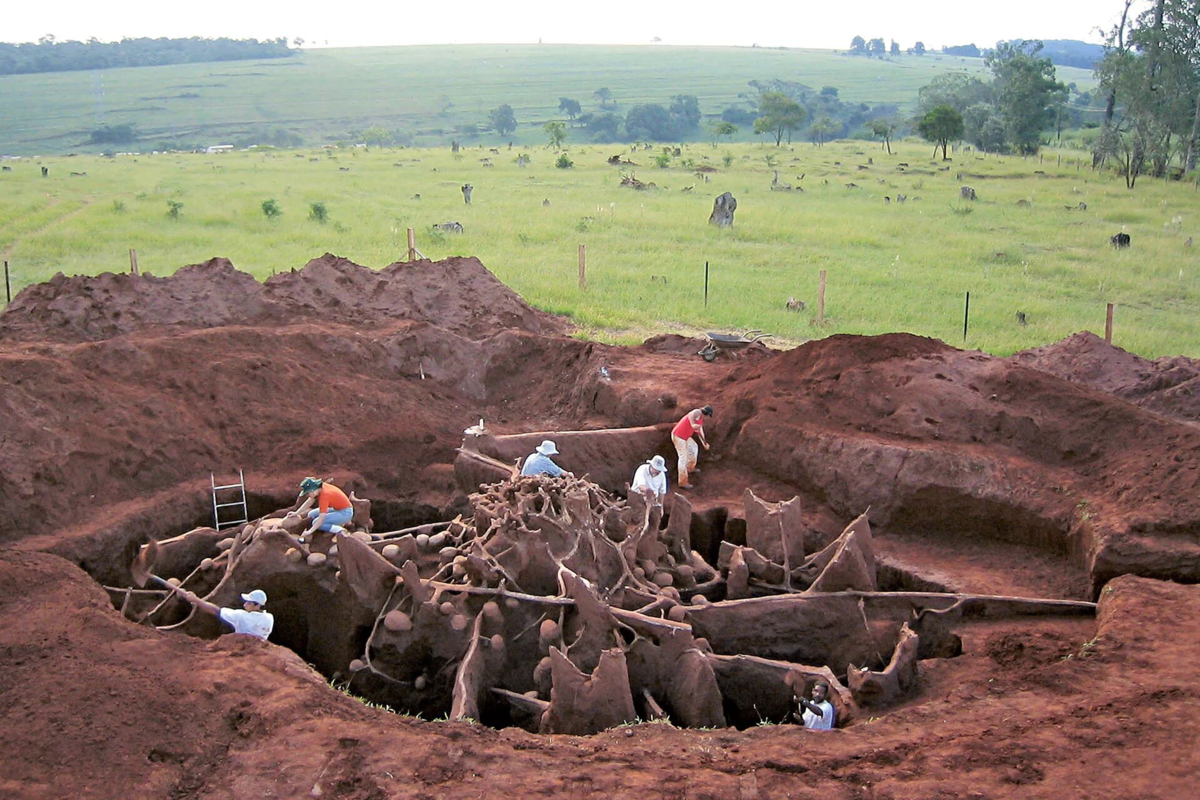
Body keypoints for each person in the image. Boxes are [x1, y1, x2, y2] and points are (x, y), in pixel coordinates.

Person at [175, 587, 274, 641]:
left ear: (257, 606)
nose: (244, 605)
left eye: (248, 602)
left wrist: (195, 599)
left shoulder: (242, 616)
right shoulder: (269, 618)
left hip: (243, 648)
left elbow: (216, 611)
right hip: (260, 648)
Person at [671, 405, 712, 489]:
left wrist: (704, 443)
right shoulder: (697, 412)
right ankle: (682, 482)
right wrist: (693, 424)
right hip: (678, 436)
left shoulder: (701, 420)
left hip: (685, 437)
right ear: (706, 414)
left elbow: (700, 432)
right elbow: (691, 414)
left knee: (694, 448)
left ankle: (690, 467)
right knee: (683, 457)